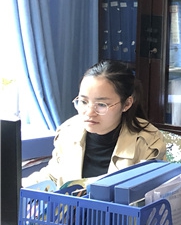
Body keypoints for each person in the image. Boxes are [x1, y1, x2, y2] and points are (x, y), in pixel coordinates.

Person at [23, 60, 166, 188]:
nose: (89, 112)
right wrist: (18, 186)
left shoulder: (147, 142)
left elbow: (148, 196)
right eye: (83, 102)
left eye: (102, 104)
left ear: (127, 104)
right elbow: (53, 176)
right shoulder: (68, 131)